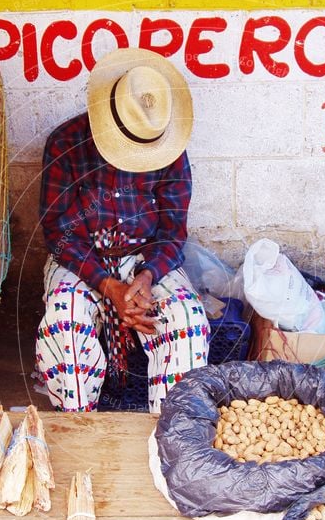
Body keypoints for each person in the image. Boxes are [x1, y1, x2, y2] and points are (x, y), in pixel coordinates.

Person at [36, 47, 210, 413]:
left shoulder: (168, 148)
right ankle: (79, 427)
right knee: (66, 318)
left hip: (144, 259)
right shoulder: (66, 143)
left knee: (187, 319)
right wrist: (106, 284)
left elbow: (173, 231)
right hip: (83, 258)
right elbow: (58, 233)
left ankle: (169, 434)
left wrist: (147, 276)